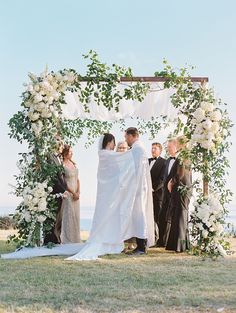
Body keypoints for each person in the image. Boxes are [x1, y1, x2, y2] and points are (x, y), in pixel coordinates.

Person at [124, 127, 154, 255]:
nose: (125, 140)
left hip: (138, 188)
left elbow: (135, 171)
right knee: (137, 215)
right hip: (140, 187)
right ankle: (140, 245)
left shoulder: (137, 149)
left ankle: (142, 246)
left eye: (126, 137)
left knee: (139, 214)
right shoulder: (139, 148)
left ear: (131, 136)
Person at [165, 136, 192, 252]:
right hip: (182, 189)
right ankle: (176, 244)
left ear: (181, 144)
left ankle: (180, 245)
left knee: (181, 214)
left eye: (176, 143)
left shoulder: (184, 156)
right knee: (178, 214)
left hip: (182, 189)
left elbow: (180, 174)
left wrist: (172, 182)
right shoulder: (184, 155)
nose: (175, 145)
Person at [44, 138, 68, 244]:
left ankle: (55, 239)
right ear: (57, 145)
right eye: (61, 145)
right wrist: (63, 190)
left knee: (57, 216)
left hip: (60, 192)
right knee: (52, 216)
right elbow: (53, 177)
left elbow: (61, 176)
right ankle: (49, 240)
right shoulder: (50, 156)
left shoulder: (60, 158)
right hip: (54, 191)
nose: (62, 147)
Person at [157, 138, 178, 247]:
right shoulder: (167, 161)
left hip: (175, 194)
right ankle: (161, 241)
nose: (168, 149)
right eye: (167, 147)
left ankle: (171, 242)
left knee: (172, 218)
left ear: (176, 147)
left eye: (170, 147)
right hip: (165, 194)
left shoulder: (179, 160)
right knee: (162, 217)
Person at [116, 141, 136, 252]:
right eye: (120, 148)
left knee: (129, 218)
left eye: (124, 148)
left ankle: (131, 243)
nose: (122, 150)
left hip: (128, 192)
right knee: (119, 218)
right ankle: (120, 243)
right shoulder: (114, 161)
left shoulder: (130, 161)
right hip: (117, 193)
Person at [60, 144, 81, 244]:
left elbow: (77, 179)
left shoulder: (73, 164)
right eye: (70, 152)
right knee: (69, 216)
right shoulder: (62, 165)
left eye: (72, 152)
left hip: (76, 194)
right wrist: (72, 193)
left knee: (76, 216)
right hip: (68, 193)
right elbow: (64, 182)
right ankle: (68, 240)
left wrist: (78, 192)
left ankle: (76, 239)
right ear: (65, 153)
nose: (72, 153)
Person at [148, 143, 166, 245]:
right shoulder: (147, 161)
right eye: (152, 148)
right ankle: (152, 239)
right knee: (150, 218)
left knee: (159, 218)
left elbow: (162, 179)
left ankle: (162, 240)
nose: (153, 150)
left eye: (155, 148)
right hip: (147, 195)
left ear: (160, 150)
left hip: (158, 195)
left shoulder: (164, 162)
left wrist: (152, 188)